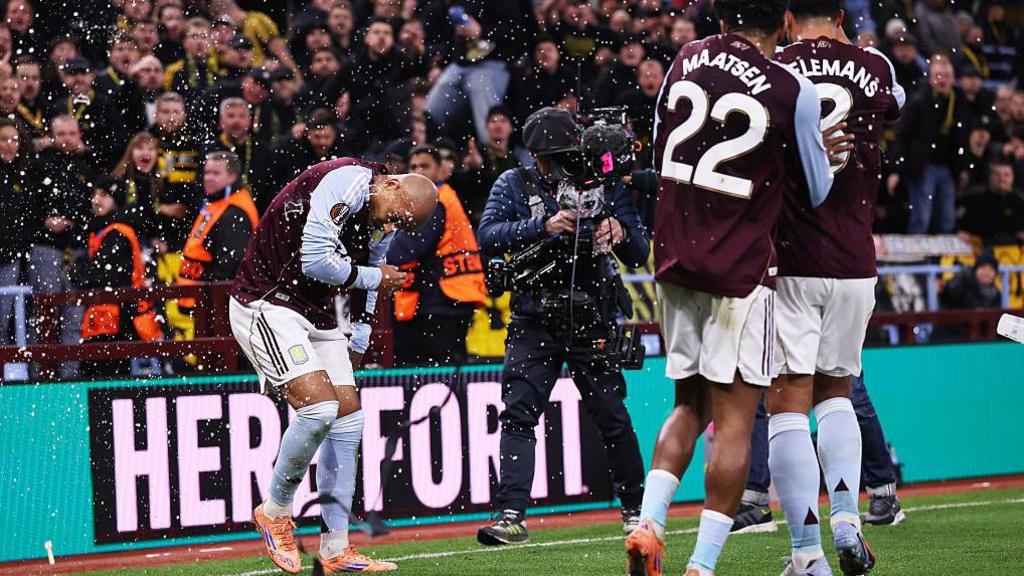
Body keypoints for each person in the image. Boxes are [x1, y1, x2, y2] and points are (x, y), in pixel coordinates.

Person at [626, 0, 835, 573]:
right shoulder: (790, 87)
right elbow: (815, 192)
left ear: (720, 19)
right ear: (785, 23)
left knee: (687, 405)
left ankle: (648, 522)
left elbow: (664, 146)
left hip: (673, 261)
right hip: (740, 273)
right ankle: (702, 565)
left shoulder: (684, 59)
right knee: (737, 422)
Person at [229, 158, 437, 574]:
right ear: (391, 184)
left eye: (405, 225)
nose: (395, 225)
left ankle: (335, 549)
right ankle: (274, 511)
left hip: (315, 312)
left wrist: (360, 337)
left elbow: (369, 275)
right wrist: (375, 278)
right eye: (398, 215)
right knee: (319, 408)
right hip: (266, 302)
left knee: (348, 422)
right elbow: (317, 261)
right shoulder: (349, 180)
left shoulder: (381, 215)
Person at [768, 1, 906, 574]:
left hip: (794, 256)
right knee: (838, 395)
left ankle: (806, 553)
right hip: (855, 260)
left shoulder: (773, 69)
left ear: (791, 16)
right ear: (844, 17)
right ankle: (847, 517)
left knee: (786, 406)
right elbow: (895, 106)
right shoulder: (875, 66)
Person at [476, 107, 649, 545]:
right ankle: (511, 514)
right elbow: (488, 234)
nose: (559, 165)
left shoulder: (605, 183)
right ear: (535, 157)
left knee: (611, 416)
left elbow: (639, 248)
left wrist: (619, 231)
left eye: (566, 155)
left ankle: (636, 510)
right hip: (535, 316)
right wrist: (543, 225)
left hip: (592, 313)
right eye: (552, 157)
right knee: (518, 414)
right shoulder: (513, 183)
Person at [387, 145, 487, 366]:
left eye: (424, 166)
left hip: (442, 301)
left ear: (441, 170)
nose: (418, 171)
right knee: (439, 372)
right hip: (444, 298)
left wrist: (379, 246)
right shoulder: (442, 197)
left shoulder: (434, 200)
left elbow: (405, 249)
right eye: (413, 167)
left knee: (433, 373)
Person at [73, 177, 162, 378]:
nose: (96, 200)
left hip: (116, 319)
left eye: (104, 195)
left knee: (105, 379)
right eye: (95, 194)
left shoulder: (118, 232)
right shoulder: (102, 230)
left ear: (116, 200)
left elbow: (99, 275)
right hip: (106, 318)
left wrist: (78, 271)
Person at [424, 0, 537, 143]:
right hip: (460, 63)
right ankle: (428, 157)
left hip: (493, 63)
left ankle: (493, 160)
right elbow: (445, 31)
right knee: (430, 112)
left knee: (488, 122)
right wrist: (438, 64)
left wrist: (482, 31)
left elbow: (516, 32)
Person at [890, 53, 972, 234]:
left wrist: (964, 166)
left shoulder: (958, 100)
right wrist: (896, 169)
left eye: (947, 77)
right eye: (938, 76)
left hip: (948, 165)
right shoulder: (920, 100)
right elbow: (903, 136)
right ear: (930, 79)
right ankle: (917, 261)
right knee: (921, 218)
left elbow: (963, 136)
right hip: (923, 165)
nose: (943, 81)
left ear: (953, 79)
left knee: (947, 218)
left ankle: (942, 260)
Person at [176, 151, 258, 318]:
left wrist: (210, 294)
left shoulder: (234, 213)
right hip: (198, 302)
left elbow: (231, 265)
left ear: (232, 177)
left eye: (215, 173)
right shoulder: (216, 201)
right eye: (206, 172)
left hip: (214, 306)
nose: (208, 178)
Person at [0, 118, 37, 346]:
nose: (9, 144)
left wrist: (17, 250)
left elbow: (28, 220)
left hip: (11, 259)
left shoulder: (24, 176)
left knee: (3, 323)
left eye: (14, 139)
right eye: (3, 139)